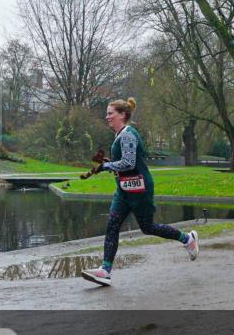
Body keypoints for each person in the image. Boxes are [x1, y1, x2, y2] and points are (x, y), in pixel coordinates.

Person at [81, 97, 199, 287]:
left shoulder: (128, 134)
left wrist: (106, 166)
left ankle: (187, 239)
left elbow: (128, 163)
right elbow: (125, 162)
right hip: (124, 190)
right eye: (107, 113)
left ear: (122, 115)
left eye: (110, 113)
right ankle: (105, 270)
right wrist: (108, 163)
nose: (107, 117)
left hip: (140, 188)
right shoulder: (120, 135)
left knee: (148, 227)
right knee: (112, 225)